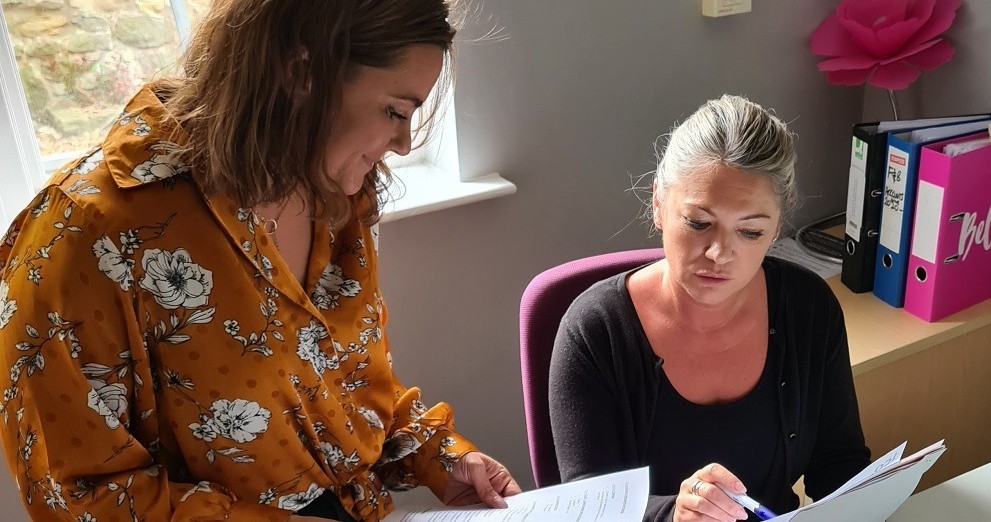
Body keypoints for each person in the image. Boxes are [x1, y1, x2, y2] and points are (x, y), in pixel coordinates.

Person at [0, 1, 520, 520]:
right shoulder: (82, 236)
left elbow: (342, 401)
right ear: (301, 72)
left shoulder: (334, 195)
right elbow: (78, 498)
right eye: (395, 112)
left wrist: (442, 457)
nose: (405, 144)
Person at [548, 95, 870, 522]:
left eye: (750, 232)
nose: (720, 252)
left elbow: (840, 464)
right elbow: (588, 507)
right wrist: (672, 516)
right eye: (699, 223)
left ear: (776, 228)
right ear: (659, 203)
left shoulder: (807, 307)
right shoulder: (594, 332)